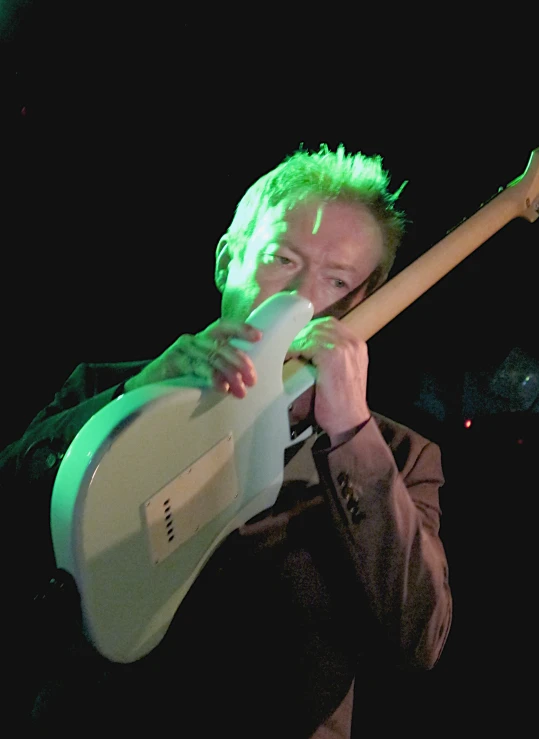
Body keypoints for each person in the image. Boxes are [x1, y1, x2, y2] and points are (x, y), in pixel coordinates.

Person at [4, 144, 452, 736]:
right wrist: (133, 399)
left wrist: (350, 433)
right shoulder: (103, 387)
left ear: (360, 304)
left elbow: (420, 639)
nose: (303, 300)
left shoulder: (396, 457)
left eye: (338, 279)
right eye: (281, 259)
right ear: (227, 261)